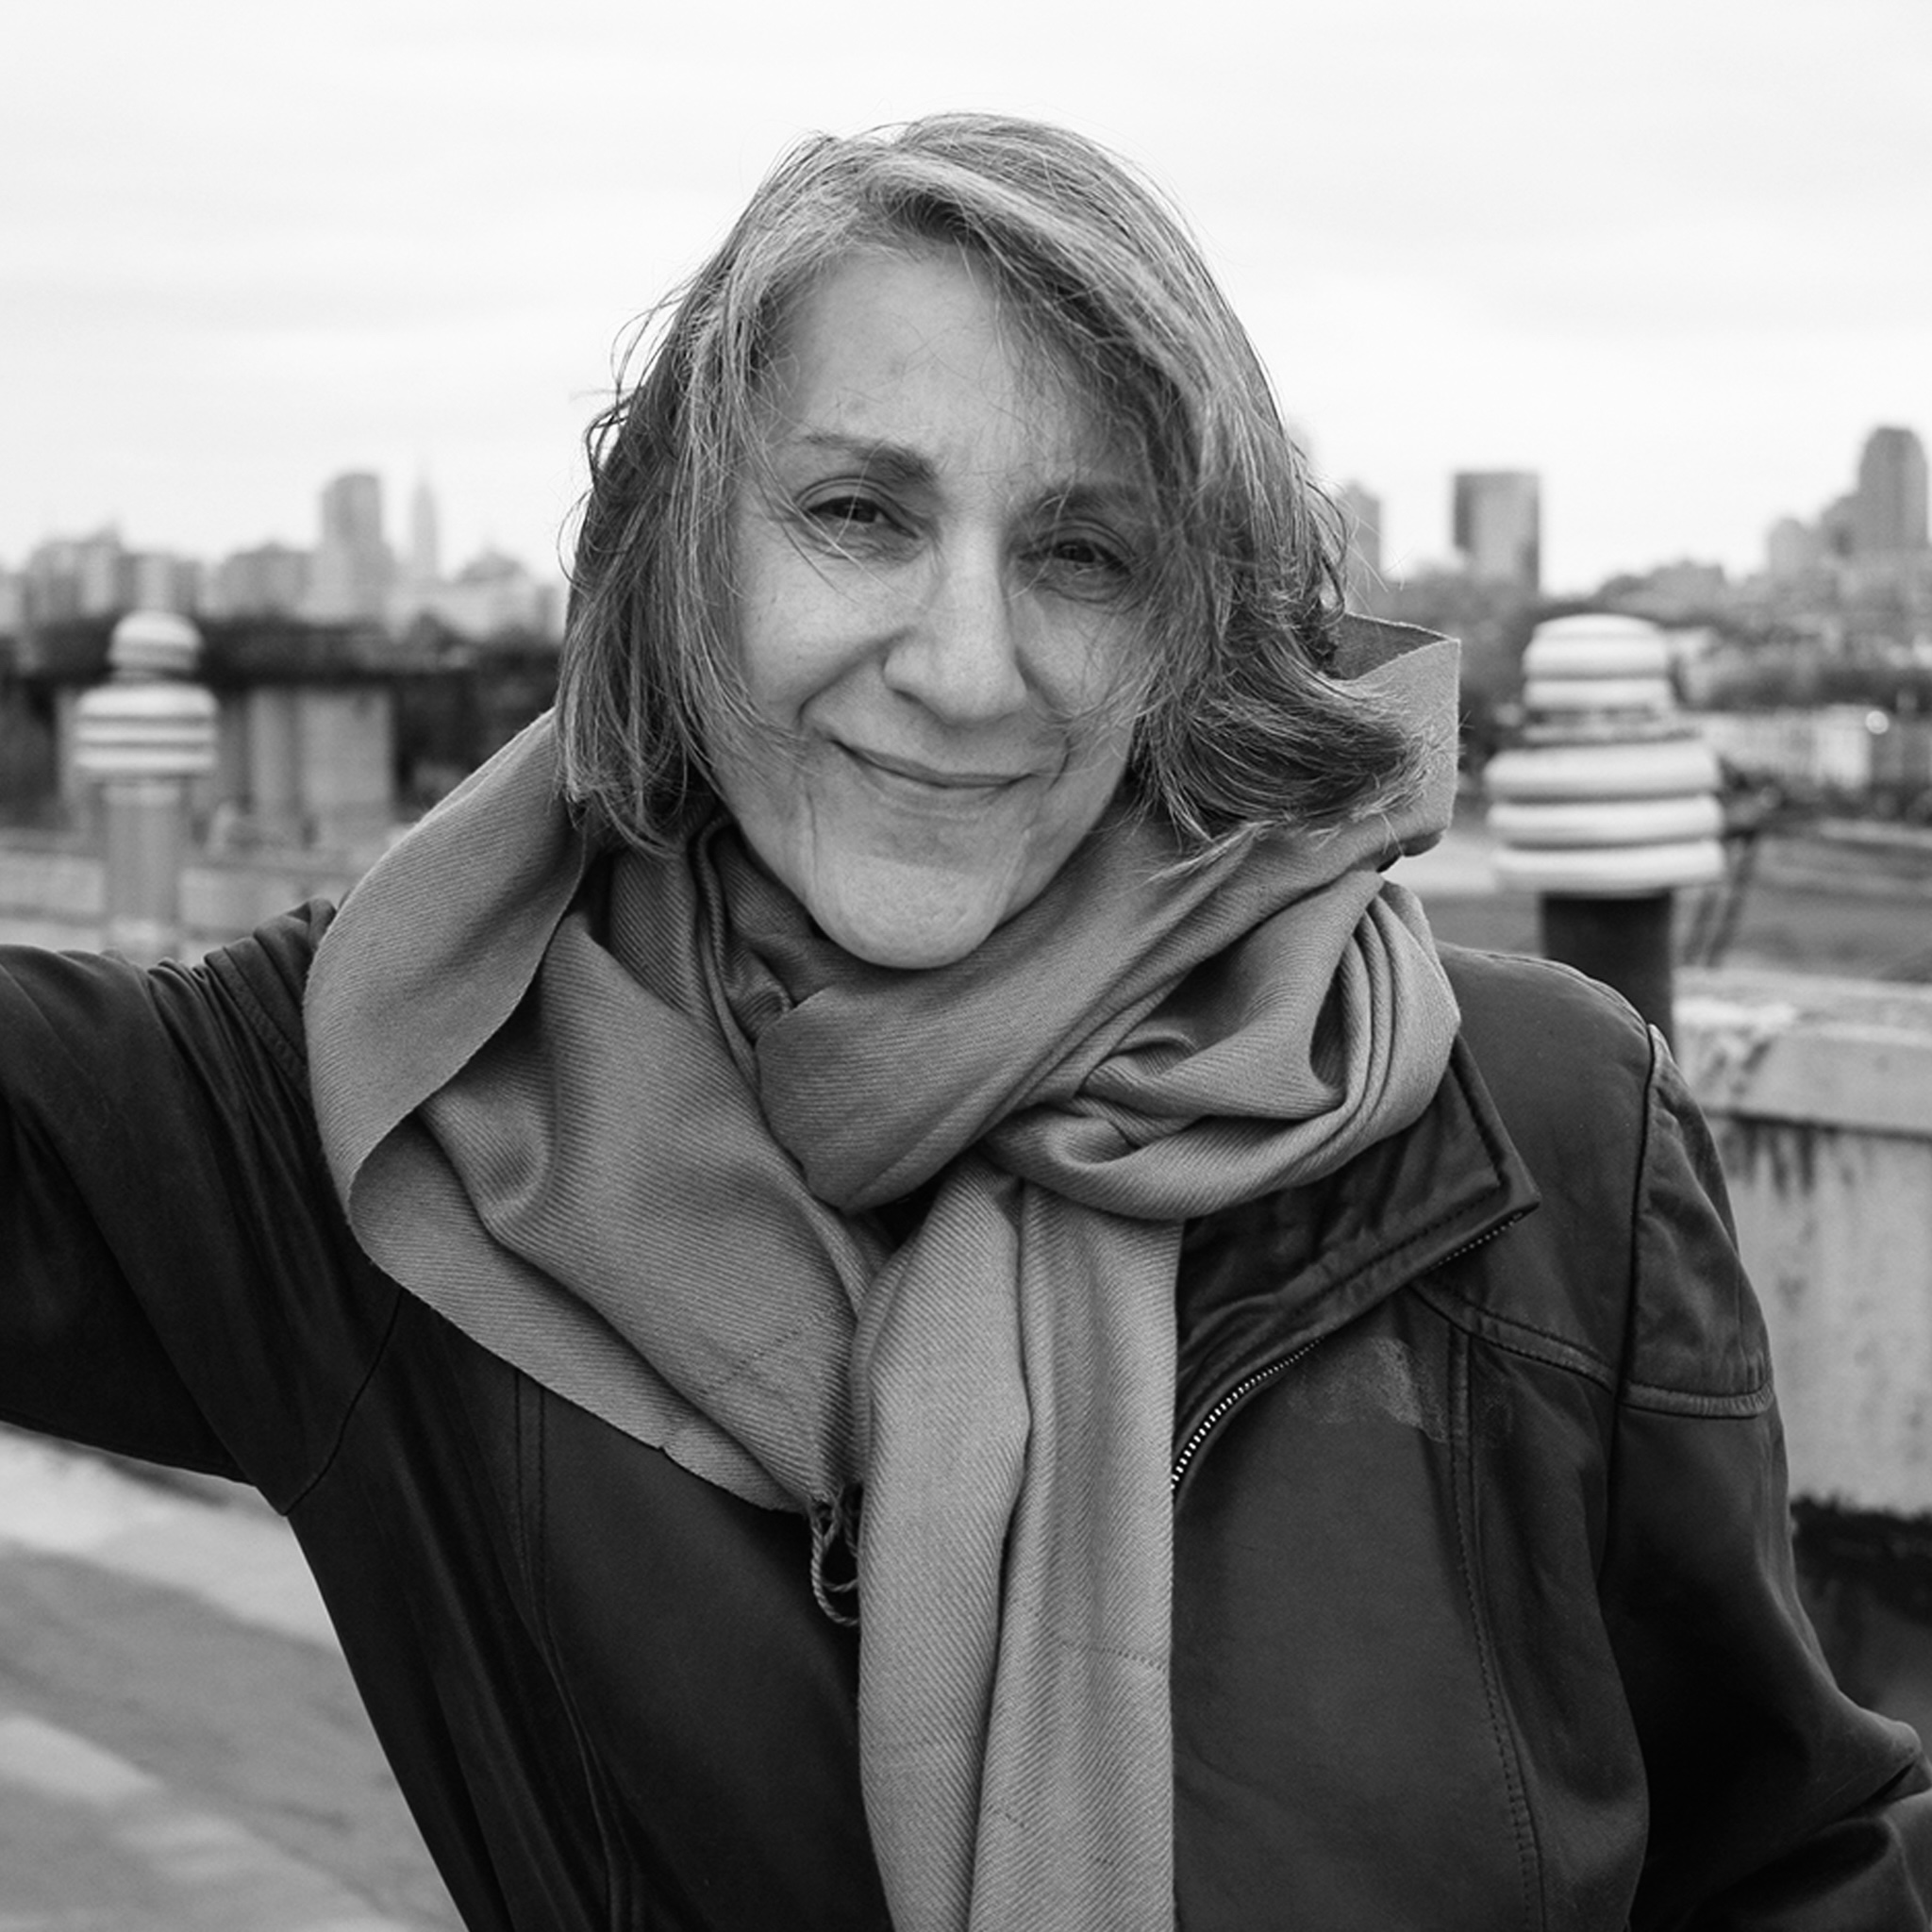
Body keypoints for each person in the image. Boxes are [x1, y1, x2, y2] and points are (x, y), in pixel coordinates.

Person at [1, 113, 1928, 1932]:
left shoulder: (1535, 1129)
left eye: (1083, 554)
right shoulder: (396, 1100)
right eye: (856, 513)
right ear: (687, 558)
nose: (965, 668)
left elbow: (1786, 1860)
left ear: (1193, 617)